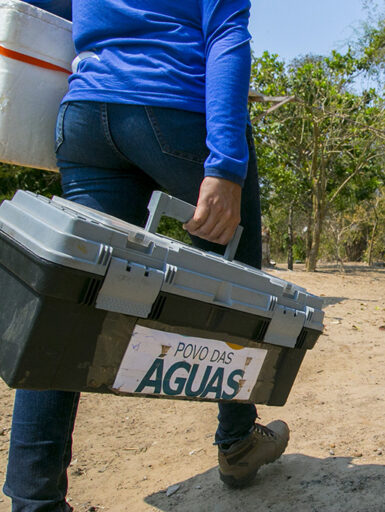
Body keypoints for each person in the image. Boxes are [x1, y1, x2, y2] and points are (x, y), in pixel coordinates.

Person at [3, 1, 289, 510]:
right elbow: (226, 32)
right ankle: (238, 441)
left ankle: (34, 499)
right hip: (176, 108)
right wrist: (225, 165)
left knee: (65, 306)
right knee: (241, 290)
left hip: (88, 117)